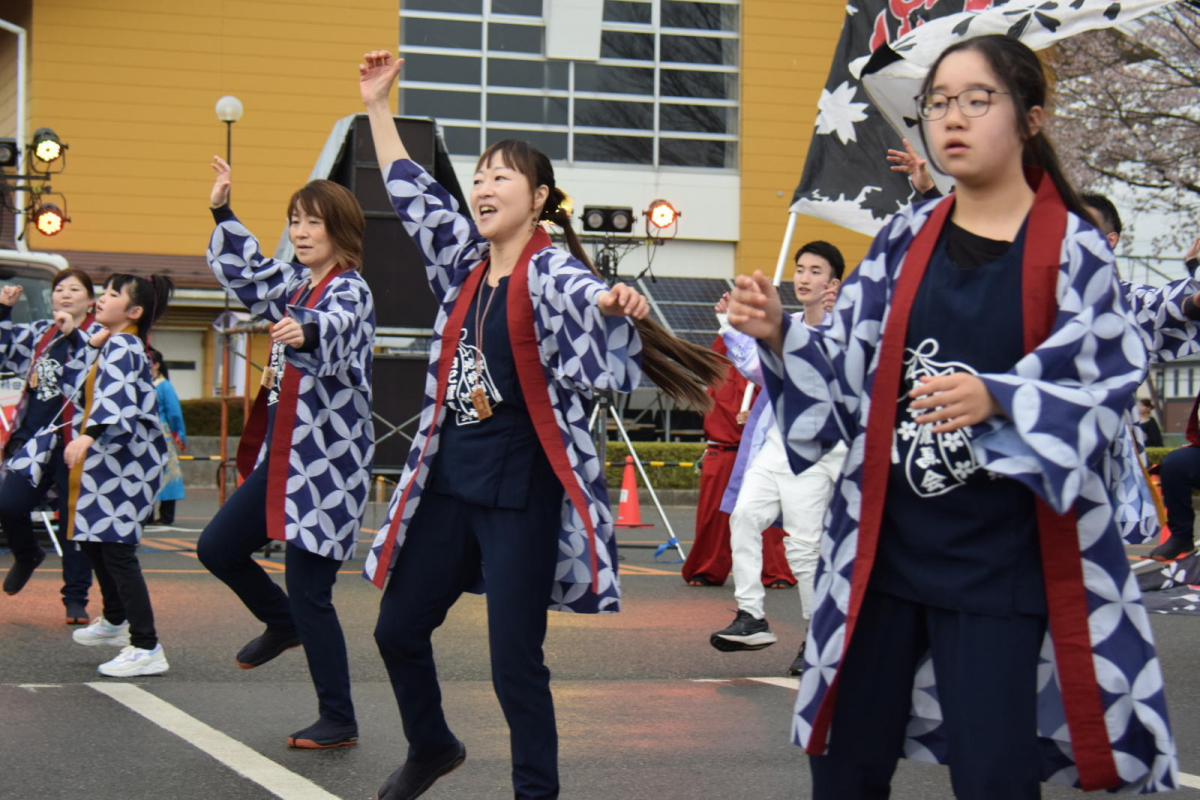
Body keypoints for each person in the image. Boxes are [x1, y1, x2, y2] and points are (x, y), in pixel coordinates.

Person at [729, 34, 1175, 797]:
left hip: (1000, 565)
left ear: (1031, 118)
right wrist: (779, 332)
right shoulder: (906, 238)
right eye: (938, 103)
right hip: (884, 552)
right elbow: (844, 372)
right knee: (843, 761)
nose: (952, 118)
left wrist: (1002, 394)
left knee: (994, 771)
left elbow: (1107, 388)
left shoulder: (1074, 251)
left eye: (977, 100)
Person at [357, 50, 724, 800]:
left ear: (540, 197)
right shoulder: (463, 263)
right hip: (451, 481)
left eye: (502, 177)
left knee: (514, 663)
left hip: (520, 489)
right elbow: (412, 192)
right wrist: (376, 106)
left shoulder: (550, 272)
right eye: (481, 176)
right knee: (396, 630)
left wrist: (616, 303)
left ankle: (536, 793)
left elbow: (588, 295)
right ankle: (432, 746)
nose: (485, 186)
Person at [199, 157, 375, 750]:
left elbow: (340, 324)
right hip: (284, 460)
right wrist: (223, 209)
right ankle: (280, 624)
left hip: (326, 467)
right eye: (294, 220)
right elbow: (248, 272)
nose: (300, 232)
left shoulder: (351, 288)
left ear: (340, 229)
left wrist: (308, 331)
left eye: (312, 222)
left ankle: (339, 718)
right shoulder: (295, 285)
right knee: (217, 547)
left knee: (312, 593)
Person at [10, 274, 173, 675]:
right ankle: (116, 621)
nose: (102, 299)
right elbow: (85, 384)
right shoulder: (112, 342)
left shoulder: (124, 344)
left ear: (133, 312)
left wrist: (88, 436)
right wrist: (88, 342)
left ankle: (147, 645)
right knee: (97, 542)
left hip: (124, 464)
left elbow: (115, 399)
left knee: (116, 551)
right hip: (111, 463)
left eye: (112, 295)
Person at [710, 242, 846, 680]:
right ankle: (752, 616)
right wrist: (734, 326)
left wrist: (742, 328)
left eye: (816, 270)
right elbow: (757, 367)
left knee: (803, 548)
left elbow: (784, 369)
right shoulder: (784, 325)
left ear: (833, 283)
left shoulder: (845, 332)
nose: (804, 277)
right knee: (745, 516)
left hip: (815, 447)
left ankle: (818, 637)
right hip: (776, 443)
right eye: (800, 268)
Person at [0, 268, 102, 624]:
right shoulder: (40, 332)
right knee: (8, 504)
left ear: (90, 300)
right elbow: (3, 354)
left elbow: (93, 372)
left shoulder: (99, 335)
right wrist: (3, 311)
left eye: (75, 289)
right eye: (59, 289)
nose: (65, 294)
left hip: (75, 440)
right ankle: (27, 555)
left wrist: (74, 334)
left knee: (72, 521)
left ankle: (75, 598)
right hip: (34, 438)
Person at [680, 334, 795, 591]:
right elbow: (721, 351)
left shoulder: (770, 358)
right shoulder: (721, 361)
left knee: (768, 514)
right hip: (723, 449)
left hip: (763, 449)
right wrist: (729, 324)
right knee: (714, 516)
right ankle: (707, 567)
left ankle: (776, 570)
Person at [147, 348, 187, 526]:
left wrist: (178, 434)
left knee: (168, 475)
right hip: (145, 435)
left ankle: (166, 515)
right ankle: (146, 514)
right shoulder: (142, 383)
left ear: (156, 365)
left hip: (162, 435)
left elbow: (174, 413)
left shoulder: (164, 386)